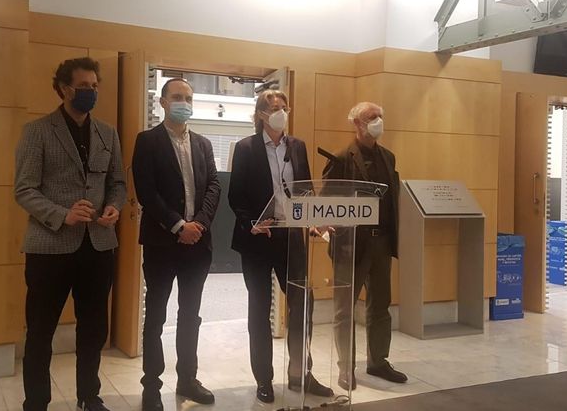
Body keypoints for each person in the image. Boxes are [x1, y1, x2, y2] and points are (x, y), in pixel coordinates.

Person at [14, 57, 126, 411]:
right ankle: (36, 402)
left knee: (93, 330)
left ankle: (89, 396)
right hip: (49, 249)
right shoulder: (38, 131)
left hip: (98, 246)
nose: (91, 92)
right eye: (84, 86)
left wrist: (114, 207)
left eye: (95, 86)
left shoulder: (107, 133)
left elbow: (118, 184)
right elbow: (25, 189)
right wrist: (62, 215)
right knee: (41, 331)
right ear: (64, 89)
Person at [228, 90, 334, 403]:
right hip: (259, 239)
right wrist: (252, 224)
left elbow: (307, 190)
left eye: (284, 108)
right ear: (261, 114)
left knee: (304, 305)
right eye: (275, 108)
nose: (281, 112)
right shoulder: (246, 148)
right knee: (259, 310)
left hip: (292, 238)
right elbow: (236, 197)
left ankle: (302, 373)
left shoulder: (297, 146)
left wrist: (314, 218)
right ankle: (264, 379)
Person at [132, 78, 221, 411]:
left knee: (191, 316)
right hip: (161, 244)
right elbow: (146, 191)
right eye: (177, 97)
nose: (184, 102)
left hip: (198, 244)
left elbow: (213, 186)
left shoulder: (203, 143)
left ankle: (187, 379)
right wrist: (178, 225)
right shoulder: (147, 141)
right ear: (163, 102)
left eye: (188, 97)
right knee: (155, 315)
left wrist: (199, 225)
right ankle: (151, 386)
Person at [323, 102, 408, 391]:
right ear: (357, 124)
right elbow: (326, 204)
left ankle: (378, 362)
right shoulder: (340, 158)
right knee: (344, 309)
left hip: (383, 242)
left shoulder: (389, 157)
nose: (378, 122)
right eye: (372, 118)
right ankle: (346, 368)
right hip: (351, 246)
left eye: (380, 116)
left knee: (380, 305)